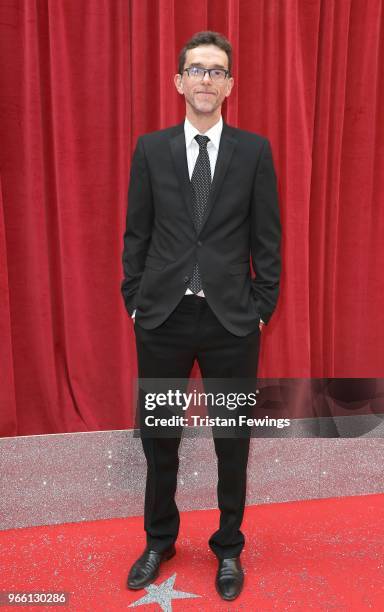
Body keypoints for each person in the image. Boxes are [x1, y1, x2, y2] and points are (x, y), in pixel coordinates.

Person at [121, 30, 281, 601]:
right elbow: (136, 232)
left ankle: (229, 547)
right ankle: (159, 539)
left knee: (231, 439)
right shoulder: (151, 149)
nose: (206, 79)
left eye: (216, 71)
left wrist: (261, 308)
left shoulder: (255, 151)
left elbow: (268, 239)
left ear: (230, 84)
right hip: (161, 319)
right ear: (179, 81)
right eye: (197, 69)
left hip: (231, 323)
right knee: (159, 437)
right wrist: (135, 299)